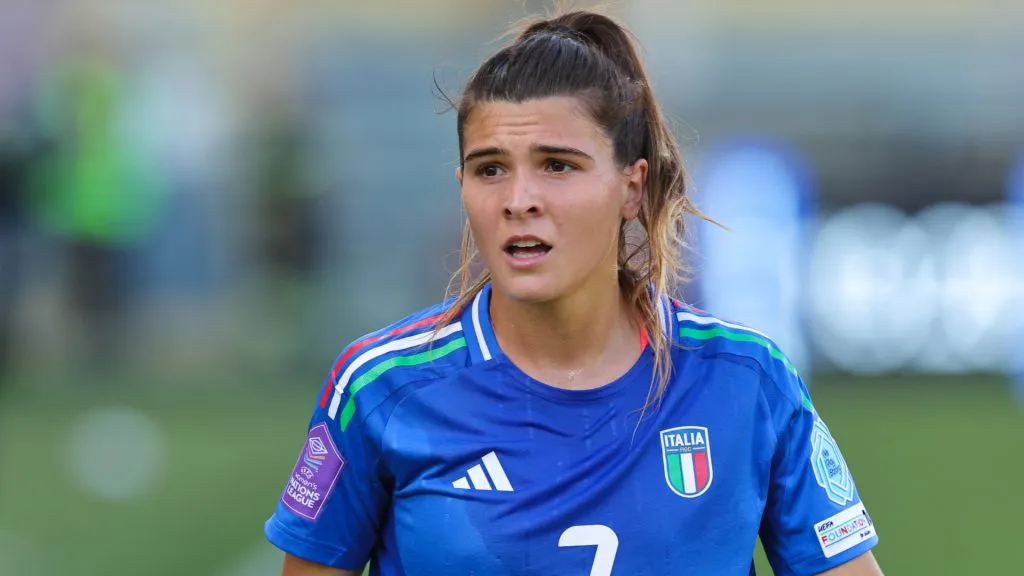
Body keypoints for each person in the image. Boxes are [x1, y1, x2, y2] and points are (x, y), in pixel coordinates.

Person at [265, 10, 883, 576]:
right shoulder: (382, 388)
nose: (518, 200)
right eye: (490, 169)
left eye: (557, 165)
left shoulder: (746, 379)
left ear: (631, 188)